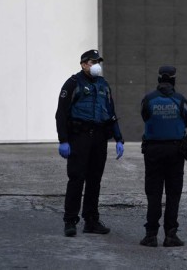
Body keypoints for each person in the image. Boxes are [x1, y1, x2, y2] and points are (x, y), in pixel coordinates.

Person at [55, 49, 124, 237]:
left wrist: (119, 138)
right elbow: (61, 114)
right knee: (76, 178)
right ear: (84, 64)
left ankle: (91, 220)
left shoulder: (104, 85)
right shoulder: (72, 84)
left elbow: (111, 113)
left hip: (99, 138)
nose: (97, 66)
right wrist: (63, 140)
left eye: (98, 62)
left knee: (95, 180)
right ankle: (70, 221)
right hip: (80, 137)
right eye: (93, 62)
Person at [139, 65, 187, 248]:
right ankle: (171, 235)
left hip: (153, 151)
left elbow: (145, 117)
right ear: (174, 79)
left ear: (159, 78)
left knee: (153, 194)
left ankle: (151, 235)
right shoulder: (180, 99)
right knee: (173, 194)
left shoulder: (149, 99)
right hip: (175, 151)